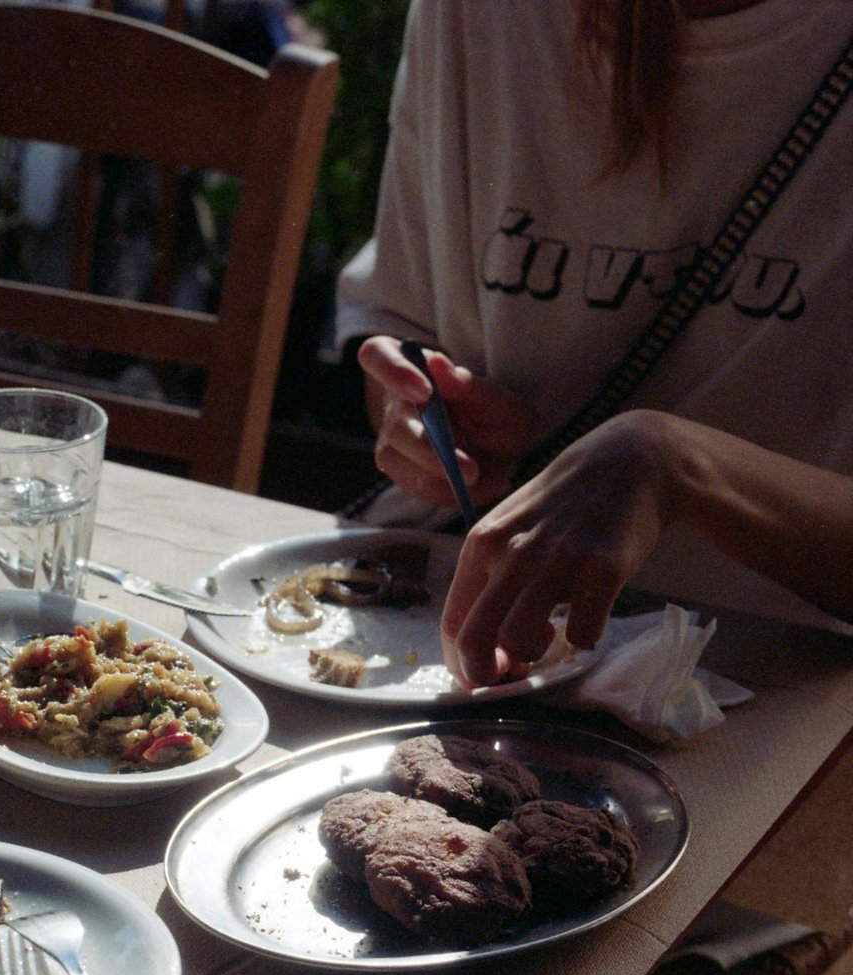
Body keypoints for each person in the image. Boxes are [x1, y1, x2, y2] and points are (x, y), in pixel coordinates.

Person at [334, 0, 853, 687]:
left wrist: (675, 466)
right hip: (441, 642)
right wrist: (422, 416)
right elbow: (401, 319)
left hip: (769, 684)